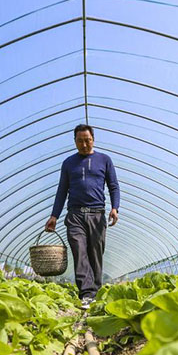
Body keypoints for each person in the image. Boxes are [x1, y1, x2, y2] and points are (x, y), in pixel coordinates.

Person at [45, 124, 119, 309]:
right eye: (80, 141)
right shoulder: (69, 163)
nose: (84, 144)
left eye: (88, 140)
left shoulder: (104, 160)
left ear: (93, 139)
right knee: (79, 251)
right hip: (75, 214)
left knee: (95, 253)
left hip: (97, 213)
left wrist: (115, 208)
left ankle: (96, 291)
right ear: (75, 141)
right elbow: (62, 190)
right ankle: (86, 294)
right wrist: (54, 215)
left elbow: (113, 186)